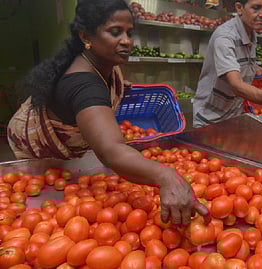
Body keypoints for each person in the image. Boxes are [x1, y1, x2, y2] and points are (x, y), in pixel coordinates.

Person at [7, 0, 207, 225]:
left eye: (130, 33)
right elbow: (111, 151)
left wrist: (117, 88)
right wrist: (166, 176)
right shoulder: (84, 85)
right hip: (37, 145)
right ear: (86, 37)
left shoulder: (101, 64)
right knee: (43, 201)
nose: (127, 41)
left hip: (67, 139)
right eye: (115, 32)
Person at [193, 0, 262, 128]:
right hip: (211, 121)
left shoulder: (251, 32)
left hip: (235, 115)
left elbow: (236, 62)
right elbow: (236, 85)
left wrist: (253, 68)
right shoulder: (225, 37)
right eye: (256, 8)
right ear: (239, 8)